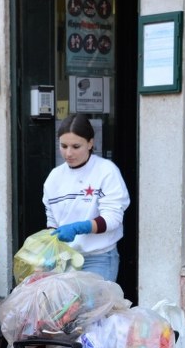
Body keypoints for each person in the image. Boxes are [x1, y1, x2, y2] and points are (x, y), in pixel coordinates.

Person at [44, 114, 130, 282]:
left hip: (99, 257)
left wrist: (79, 227)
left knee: (92, 300)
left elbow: (113, 219)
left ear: (90, 143)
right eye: (63, 146)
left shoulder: (106, 171)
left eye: (76, 146)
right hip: (64, 258)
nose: (68, 153)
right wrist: (49, 246)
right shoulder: (54, 177)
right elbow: (52, 219)